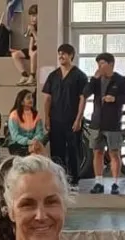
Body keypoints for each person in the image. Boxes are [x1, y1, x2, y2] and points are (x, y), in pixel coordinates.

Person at [42, 44, 88, 190]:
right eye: (60, 53)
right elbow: (48, 98)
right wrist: (47, 118)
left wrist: (78, 119)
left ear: (71, 56)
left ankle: (74, 181)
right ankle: (58, 180)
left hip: (72, 120)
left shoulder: (79, 76)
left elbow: (83, 98)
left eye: (65, 54)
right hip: (55, 119)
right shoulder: (53, 76)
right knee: (57, 151)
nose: (61, 56)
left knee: (73, 150)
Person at [85, 53, 125, 195]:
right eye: (98, 64)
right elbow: (85, 93)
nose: (100, 66)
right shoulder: (96, 80)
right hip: (96, 122)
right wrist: (94, 79)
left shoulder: (121, 80)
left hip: (113, 123)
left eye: (102, 63)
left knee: (114, 153)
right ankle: (98, 182)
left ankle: (115, 183)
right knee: (97, 152)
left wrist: (115, 99)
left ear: (111, 64)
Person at [8, 89, 46, 157]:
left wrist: (34, 141)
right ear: (22, 102)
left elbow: (40, 133)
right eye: (28, 98)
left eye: (32, 97)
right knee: (33, 151)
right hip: (17, 144)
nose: (31, 100)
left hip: (33, 144)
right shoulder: (14, 115)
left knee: (37, 148)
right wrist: (29, 142)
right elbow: (15, 136)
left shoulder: (36, 114)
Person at [11, 4, 39, 86]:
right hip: (34, 48)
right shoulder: (32, 26)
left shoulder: (42, 27)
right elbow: (31, 40)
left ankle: (33, 77)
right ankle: (24, 75)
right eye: (31, 16)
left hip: (41, 49)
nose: (32, 18)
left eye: (34, 16)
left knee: (34, 54)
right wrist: (30, 50)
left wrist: (34, 32)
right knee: (15, 54)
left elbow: (41, 42)